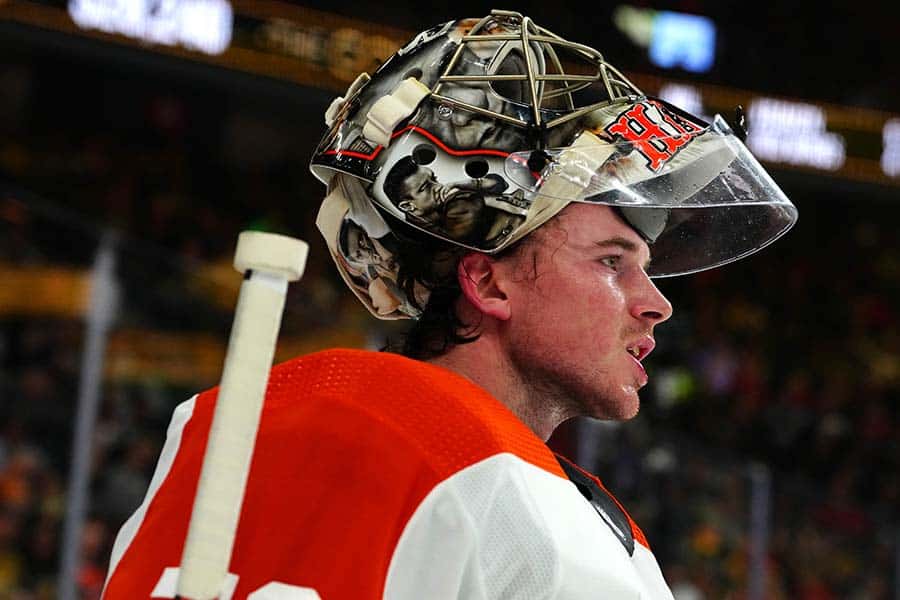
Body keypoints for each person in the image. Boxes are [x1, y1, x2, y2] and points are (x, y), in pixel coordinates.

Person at [102, 10, 797, 599]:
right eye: (612, 262)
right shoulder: (470, 473)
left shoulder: (226, 421)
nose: (656, 306)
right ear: (488, 282)